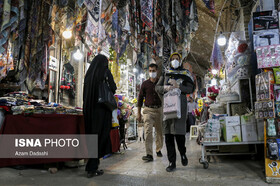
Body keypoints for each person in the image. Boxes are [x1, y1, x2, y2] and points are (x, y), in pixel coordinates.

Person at [156, 52, 195, 172]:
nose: (174, 60)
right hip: (167, 108)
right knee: (168, 136)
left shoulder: (185, 74)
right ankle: (171, 162)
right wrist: (166, 88)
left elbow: (191, 88)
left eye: (177, 59)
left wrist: (179, 87)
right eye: (173, 59)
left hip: (180, 108)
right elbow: (157, 88)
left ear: (180, 60)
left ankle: (182, 153)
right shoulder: (166, 73)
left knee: (179, 135)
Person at [83, 54, 117, 178]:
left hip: (90, 111)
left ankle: (92, 166)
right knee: (100, 137)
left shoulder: (89, 74)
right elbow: (113, 88)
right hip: (102, 112)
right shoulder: (105, 72)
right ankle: (92, 167)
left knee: (92, 138)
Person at [137, 63, 163, 162]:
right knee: (148, 132)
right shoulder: (145, 84)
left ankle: (158, 149)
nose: (152, 72)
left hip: (159, 110)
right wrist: (139, 113)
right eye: (150, 71)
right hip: (148, 110)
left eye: (154, 71)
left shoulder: (161, 82)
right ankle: (149, 154)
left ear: (157, 71)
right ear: (149, 71)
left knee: (159, 132)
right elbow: (140, 99)